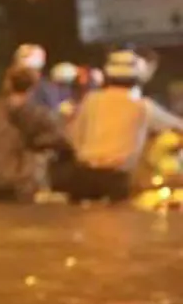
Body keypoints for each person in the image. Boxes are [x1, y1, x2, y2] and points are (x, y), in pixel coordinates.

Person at [59, 49, 183, 202]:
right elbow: (178, 127)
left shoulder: (90, 101)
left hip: (83, 175)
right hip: (117, 179)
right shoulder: (142, 107)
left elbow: (71, 136)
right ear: (137, 79)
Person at [0, 64, 67, 203]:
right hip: (22, 183)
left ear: (8, 84)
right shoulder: (39, 116)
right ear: (33, 87)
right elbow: (58, 140)